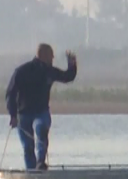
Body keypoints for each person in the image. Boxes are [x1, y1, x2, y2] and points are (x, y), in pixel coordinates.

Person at [5, 43, 77, 171]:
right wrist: (12, 115)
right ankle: (32, 172)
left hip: (41, 113)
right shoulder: (22, 71)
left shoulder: (49, 72)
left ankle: (40, 163)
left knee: (41, 130)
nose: (53, 58)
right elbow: (11, 93)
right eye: (51, 56)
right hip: (23, 114)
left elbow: (67, 77)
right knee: (28, 146)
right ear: (44, 55)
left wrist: (72, 65)